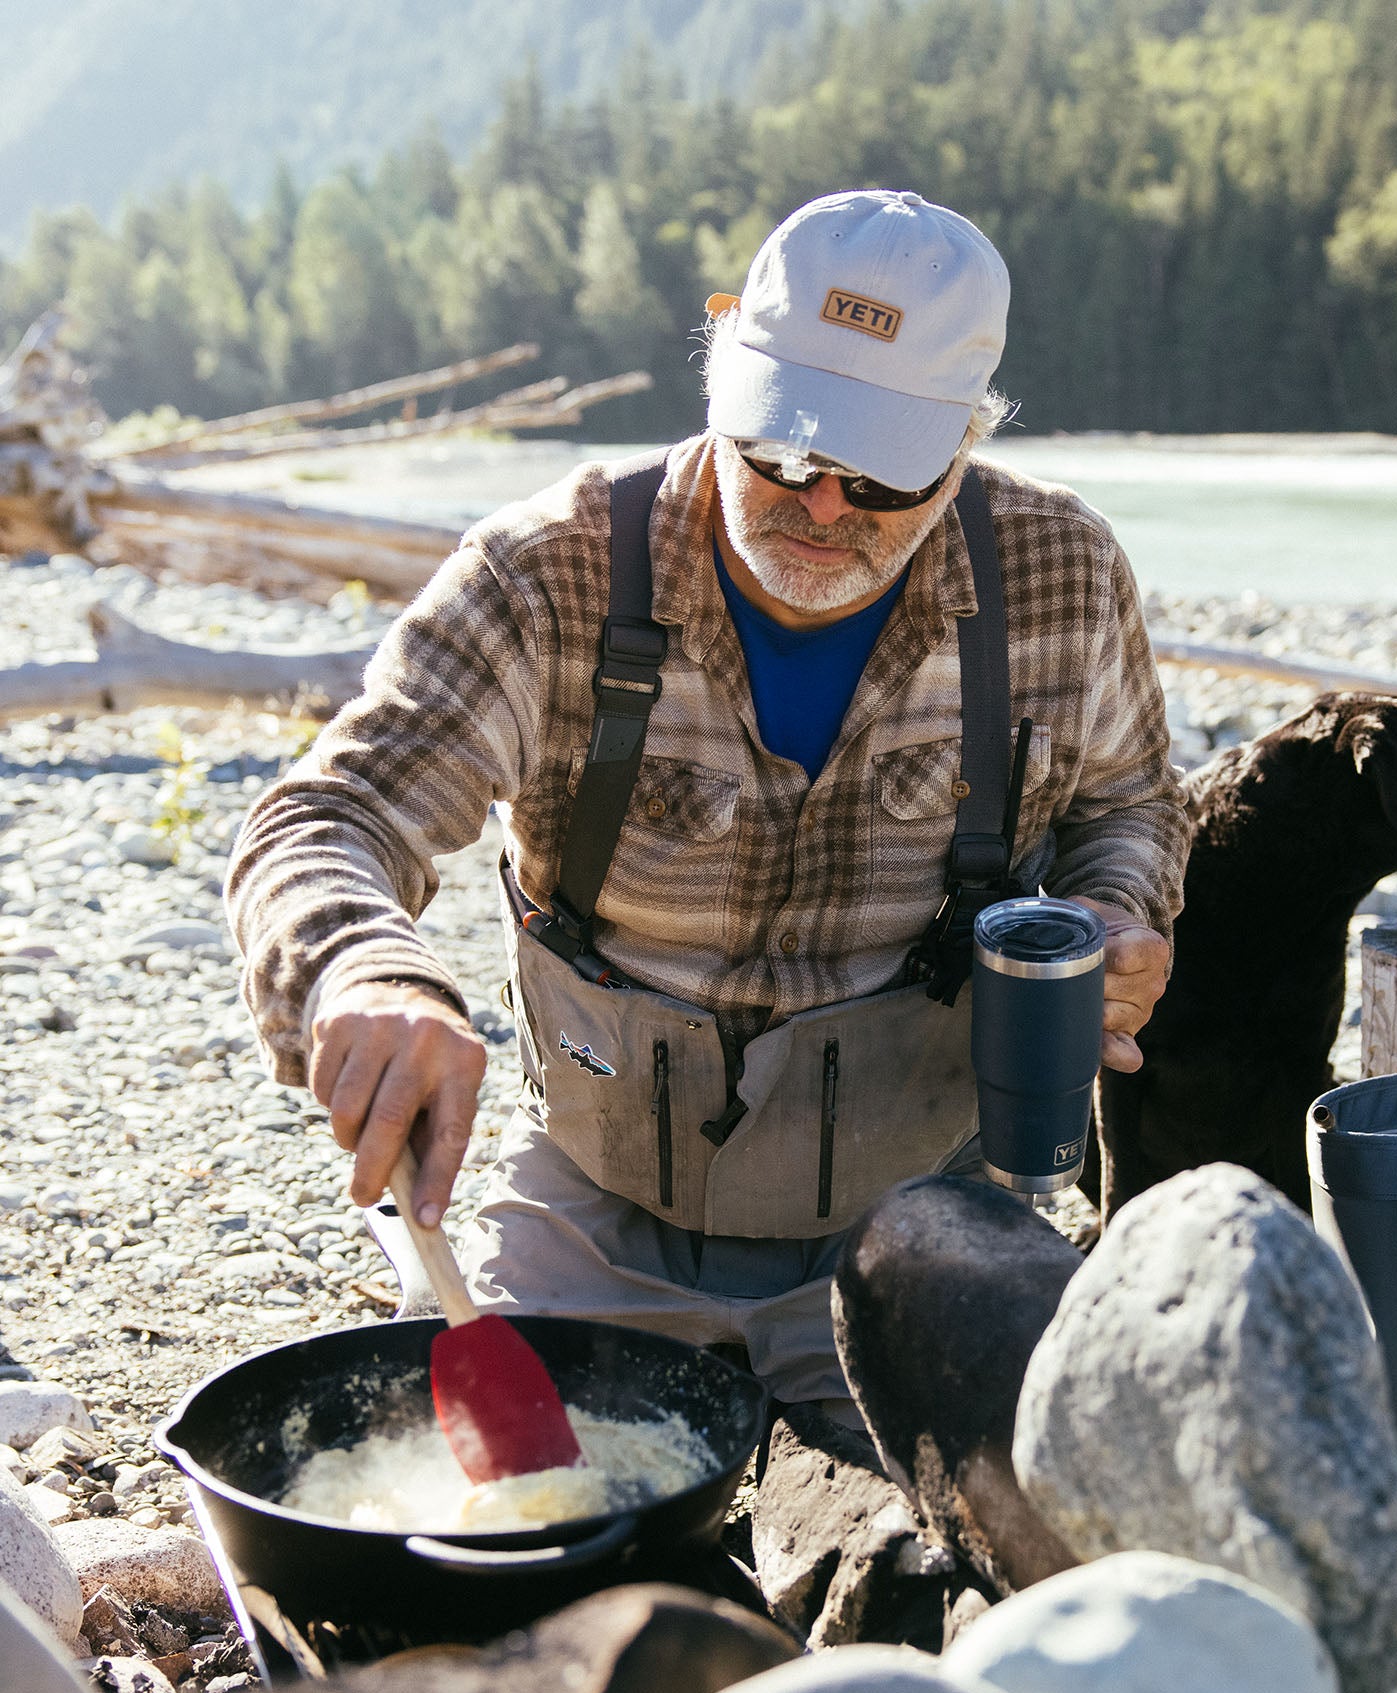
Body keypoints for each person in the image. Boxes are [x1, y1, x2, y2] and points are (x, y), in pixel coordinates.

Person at [226, 189, 1189, 1425]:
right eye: (781, 448)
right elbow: (329, 817)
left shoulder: (1063, 574)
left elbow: (1133, 805)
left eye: (878, 472)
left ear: (965, 440)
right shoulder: (547, 574)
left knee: (1014, 1552)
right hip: (592, 1204)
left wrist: (1116, 912)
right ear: (722, 367)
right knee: (502, 1545)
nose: (821, 504)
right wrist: (368, 974)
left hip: (925, 1210)